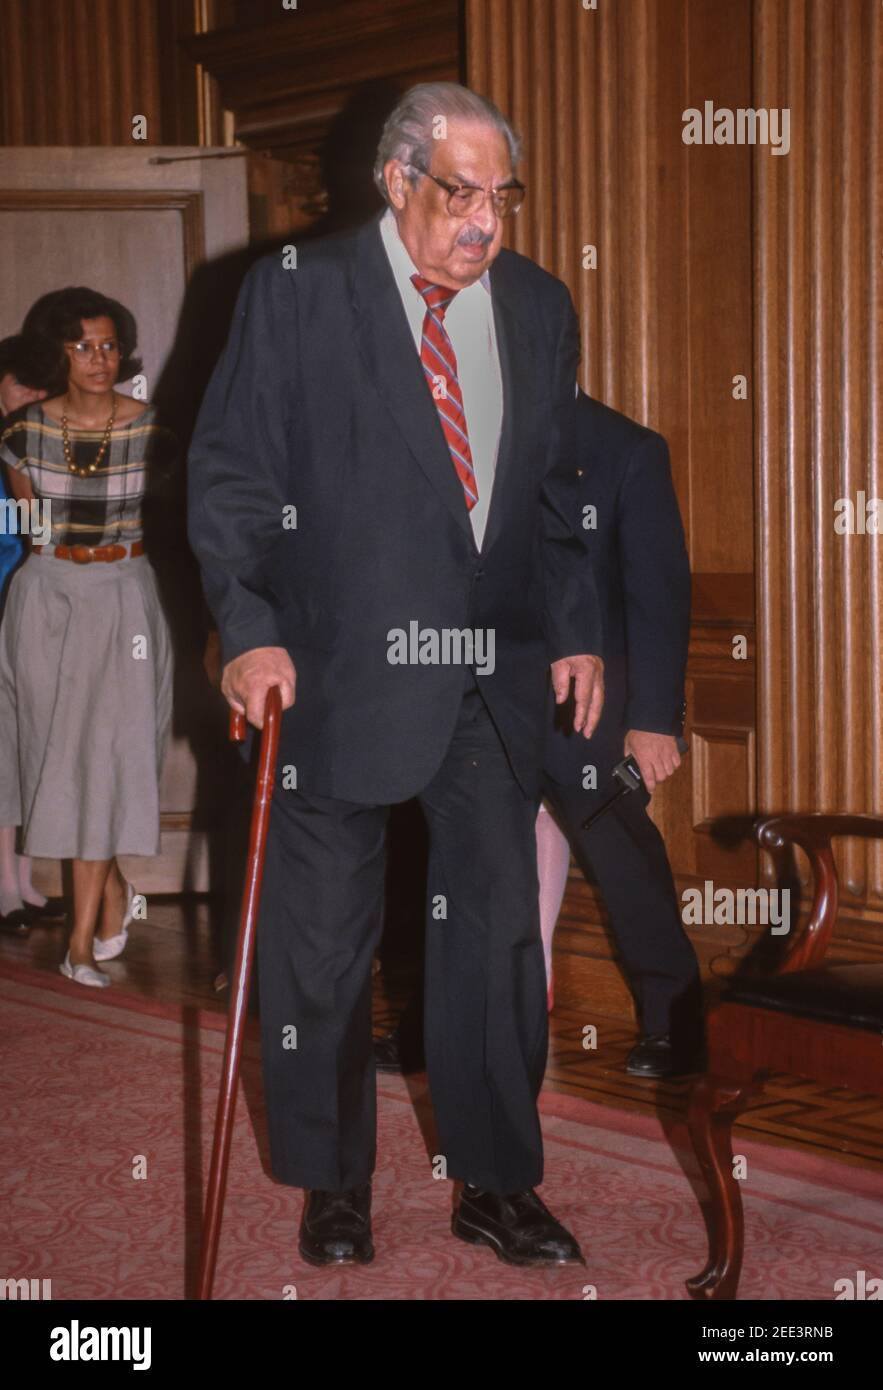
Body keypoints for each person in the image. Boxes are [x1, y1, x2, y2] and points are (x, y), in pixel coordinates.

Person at [188, 81, 604, 1268]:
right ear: (394, 179)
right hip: (330, 669)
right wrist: (248, 624)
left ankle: (494, 1181)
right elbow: (228, 471)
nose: (484, 221)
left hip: (492, 672)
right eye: (457, 193)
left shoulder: (534, 303)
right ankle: (334, 1184)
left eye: (501, 196)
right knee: (319, 948)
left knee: (494, 943)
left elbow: (554, 486)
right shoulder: (294, 294)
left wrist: (574, 626)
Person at [0, 288, 175, 986]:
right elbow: (26, 526)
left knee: (105, 756)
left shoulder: (155, 431)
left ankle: (76, 946)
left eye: (107, 345)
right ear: (58, 353)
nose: (98, 359)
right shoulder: (20, 433)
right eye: (81, 347)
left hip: (123, 596)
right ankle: (113, 898)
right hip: (46, 597)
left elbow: (179, 525)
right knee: (56, 755)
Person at [538, 387, 704, 1076]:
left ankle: (677, 1027)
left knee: (623, 863)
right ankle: (440, 1024)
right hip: (483, 696)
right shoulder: (473, 433)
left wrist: (652, 722)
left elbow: (658, 593)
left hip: (593, 712)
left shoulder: (627, 449)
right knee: (461, 868)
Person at [0, 332, 65, 936]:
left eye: (41, 386)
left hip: (31, 609)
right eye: (21, 382)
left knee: (27, 750)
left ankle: (23, 883)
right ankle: (3, 889)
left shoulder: (38, 445)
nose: (30, 395)